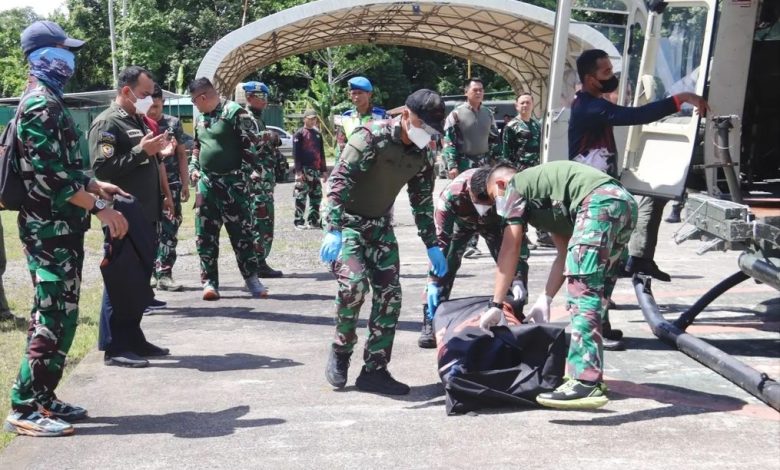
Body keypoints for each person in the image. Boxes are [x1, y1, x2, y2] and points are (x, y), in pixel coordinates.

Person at [6, 20, 129, 437]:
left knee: (66, 313)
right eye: (64, 51)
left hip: (61, 228)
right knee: (52, 314)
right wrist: (99, 208)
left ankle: (44, 396)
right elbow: (50, 178)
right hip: (47, 231)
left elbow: (67, 168)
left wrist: (95, 184)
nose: (71, 59)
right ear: (43, 56)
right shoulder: (40, 105)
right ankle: (24, 406)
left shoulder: (51, 102)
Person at [476, 161, 637, 409]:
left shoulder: (516, 185)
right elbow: (564, 254)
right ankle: (592, 376)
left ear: (500, 184)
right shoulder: (548, 194)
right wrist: (546, 298)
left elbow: (511, 246)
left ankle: (585, 381)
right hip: (622, 204)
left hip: (599, 203)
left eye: (493, 197)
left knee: (583, 292)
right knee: (595, 289)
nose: (499, 205)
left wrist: (496, 303)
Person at [320, 89, 448, 395]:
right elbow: (339, 180)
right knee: (353, 287)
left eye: (432, 128)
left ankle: (374, 370)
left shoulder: (424, 154)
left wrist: (432, 244)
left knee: (390, 295)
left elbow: (420, 202)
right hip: (348, 223)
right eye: (422, 124)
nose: (426, 133)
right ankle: (341, 349)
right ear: (405, 115)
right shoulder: (370, 137)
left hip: (379, 228)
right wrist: (333, 227)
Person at [569, 49, 708, 281]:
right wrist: (681, 98)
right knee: (597, 246)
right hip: (590, 189)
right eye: (606, 72)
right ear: (590, 79)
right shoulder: (589, 107)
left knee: (609, 242)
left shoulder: (592, 102)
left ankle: (611, 285)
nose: (612, 76)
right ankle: (593, 298)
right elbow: (636, 116)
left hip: (601, 184)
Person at [90, 66, 174, 368]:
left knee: (138, 281)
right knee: (121, 279)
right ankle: (116, 346)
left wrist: (155, 153)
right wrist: (141, 151)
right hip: (121, 215)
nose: (148, 99)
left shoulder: (135, 119)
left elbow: (142, 161)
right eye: (144, 94)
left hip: (143, 213)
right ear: (126, 92)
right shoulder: (107, 123)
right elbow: (102, 171)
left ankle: (134, 337)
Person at [417, 168, 529, 349]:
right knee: (446, 263)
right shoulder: (451, 195)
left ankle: (514, 314)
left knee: (512, 266)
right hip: (462, 224)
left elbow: (517, 241)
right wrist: (433, 279)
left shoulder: (504, 192)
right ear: (469, 192)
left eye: (488, 202)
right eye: (479, 202)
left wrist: (518, 277)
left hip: (495, 226)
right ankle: (430, 320)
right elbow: (440, 240)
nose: (483, 208)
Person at [188, 77, 272, 301]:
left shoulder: (234, 113)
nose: (195, 105)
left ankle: (252, 280)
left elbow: (250, 148)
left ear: (203, 97)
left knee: (242, 234)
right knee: (205, 236)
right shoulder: (202, 118)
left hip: (233, 185)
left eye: (195, 101)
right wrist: (193, 167)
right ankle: (209, 283)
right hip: (207, 186)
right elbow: (197, 147)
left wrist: (242, 178)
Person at [442, 77, 499, 258]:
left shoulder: (488, 114)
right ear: (466, 92)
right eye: (475, 90)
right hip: (464, 163)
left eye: (481, 89)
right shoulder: (456, 115)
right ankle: (467, 243)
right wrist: (451, 165)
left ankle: (484, 239)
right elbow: (448, 141)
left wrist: (499, 163)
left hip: (484, 164)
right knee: (466, 202)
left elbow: (494, 139)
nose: (479, 92)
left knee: (485, 201)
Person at [147, 84, 189, 291]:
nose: (153, 111)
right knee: (149, 231)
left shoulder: (173, 124)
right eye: (150, 106)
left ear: (163, 102)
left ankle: (165, 273)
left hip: (172, 183)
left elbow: (182, 154)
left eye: (156, 106)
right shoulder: (140, 123)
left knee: (170, 229)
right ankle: (150, 273)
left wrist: (185, 183)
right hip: (147, 186)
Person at [242, 81, 283, 278]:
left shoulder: (258, 119)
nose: (265, 102)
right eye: (261, 97)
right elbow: (247, 142)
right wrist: (268, 136)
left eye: (266, 97)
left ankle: (260, 261)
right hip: (256, 182)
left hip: (264, 181)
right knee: (260, 221)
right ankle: (257, 263)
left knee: (263, 220)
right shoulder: (247, 119)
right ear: (249, 97)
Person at [501, 92, 552, 248]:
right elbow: (506, 153)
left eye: (528, 102)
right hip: (520, 171)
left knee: (541, 202)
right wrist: (509, 173)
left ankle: (543, 235)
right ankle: (522, 237)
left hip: (536, 171)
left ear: (532, 104)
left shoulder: (536, 125)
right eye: (522, 103)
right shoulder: (511, 126)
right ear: (517, 106)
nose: (525, 105)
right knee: (521, 205)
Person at [334, 76, 388, 159]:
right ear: (349, 95)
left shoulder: (382, 116)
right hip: (352, 164)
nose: (356, 96)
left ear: (369, 94)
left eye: (360, 93)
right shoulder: (346, 117)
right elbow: (340, 146)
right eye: (354, 93)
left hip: (377, 164)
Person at [292, 109, 327, 229]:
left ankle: (313, 220)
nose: (312, 121)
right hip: (304, 170)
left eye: (314, 119)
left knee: (317, 196)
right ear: (304, 119)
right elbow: (296, 154)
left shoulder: (317, 134)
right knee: (301, 196)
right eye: (310, 118)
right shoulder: (299, 134)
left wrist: (324, 170)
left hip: (316, 170)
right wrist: (298, 171)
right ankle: (299, 222)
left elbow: (321, 153)